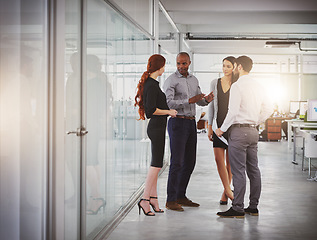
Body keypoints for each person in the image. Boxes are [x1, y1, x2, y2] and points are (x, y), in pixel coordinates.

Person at [215, 55, 272, 218]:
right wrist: (255, 121)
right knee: (253, 169)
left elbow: (232, 112)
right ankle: (253, 207)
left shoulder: (237, 86)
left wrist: (221, 129)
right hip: (253, 131)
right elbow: (268, 108)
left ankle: (238, 208)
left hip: (239, 132)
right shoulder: (259, 86)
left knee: (239, 171)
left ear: (239, 67)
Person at [163, 52, 214, 211]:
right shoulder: (171, 80)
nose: (181, 67)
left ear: (189, 63)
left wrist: (206, 100)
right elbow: (169, 103)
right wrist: (189, 100)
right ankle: (170, 200)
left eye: (184, 64)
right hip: (177, 123)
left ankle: (181, 195)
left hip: (191, 123)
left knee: (190, 162)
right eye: (178, 64)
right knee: (176, 162)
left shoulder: (194, 80)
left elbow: (199, 101)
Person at [134, 54, 177, 216]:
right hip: (156, 127)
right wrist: (169, 112)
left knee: (157, 163)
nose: (164, 69)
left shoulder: (153, 83)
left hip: (158, 127)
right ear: (160, 67)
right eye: (164, 65)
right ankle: (144, 200)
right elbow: (151, 111)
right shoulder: (151, 85)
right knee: (156, 165)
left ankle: (153, 198)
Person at [207, 56, 237, 205]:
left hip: (232, 127)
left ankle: (226, 192)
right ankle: (228, 190)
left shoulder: (238, 84)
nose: (225, 69)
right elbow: (211, 106)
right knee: (218, 160)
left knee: (230, 164)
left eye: (228, 66)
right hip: (218, 127)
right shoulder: (215, 83)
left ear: (234, 68)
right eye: (223, 66)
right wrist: (210, 126)